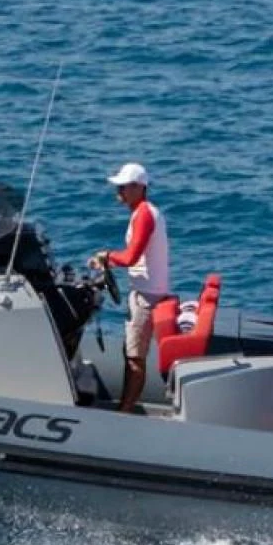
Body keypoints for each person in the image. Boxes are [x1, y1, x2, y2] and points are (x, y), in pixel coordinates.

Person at [93, 162, 172, 414]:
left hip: (147, 297)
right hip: (146, 293)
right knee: (132, 352)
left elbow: (131, 257)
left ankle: (125, 412)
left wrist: (106, 256)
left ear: (139, 187)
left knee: (135, 357)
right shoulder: (144, 213)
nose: (119, 191)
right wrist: (109, 260)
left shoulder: (144, 215)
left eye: (124, 187)